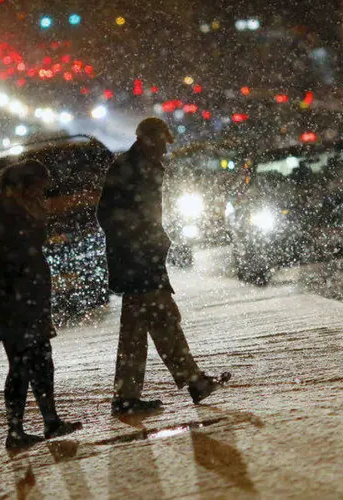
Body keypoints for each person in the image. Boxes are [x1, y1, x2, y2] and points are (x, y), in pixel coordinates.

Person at [97, 117, 231, 416]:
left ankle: (128, 396)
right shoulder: (131, 168)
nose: (163, 149)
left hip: (138, 259)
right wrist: (142, 237)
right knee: (162, 320)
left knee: (141, 328)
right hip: (138, 261)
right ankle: (191, 381)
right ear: (147, 139)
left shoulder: (138, 166)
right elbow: (108, 214)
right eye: (160, 142)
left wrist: (150, 238)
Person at [0, 160, 82, 450]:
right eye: (39, 184)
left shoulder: (21, 207)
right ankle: (16, 431)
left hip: (26, 297)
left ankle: (50, 421)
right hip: (10, 300)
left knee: (41, 360)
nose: (43, 190)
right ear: (23, 183)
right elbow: (2, 256)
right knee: (22, 364)